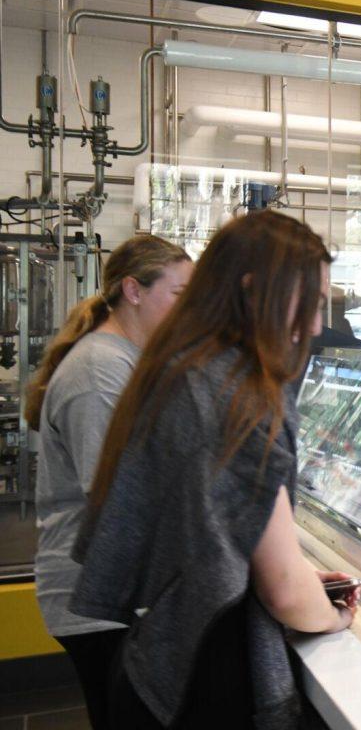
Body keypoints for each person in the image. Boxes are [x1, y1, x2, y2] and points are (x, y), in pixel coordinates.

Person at [69, 211, 360, 728]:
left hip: (158, 664)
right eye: (311, 304)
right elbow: (286, 593)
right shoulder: (239, 391)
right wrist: (333, 616)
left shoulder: (186, 364)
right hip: (202, 683)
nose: (316, 326)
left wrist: (281, 568)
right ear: (252, 289)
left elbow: (204, 531)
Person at [28, 235, 192, 730]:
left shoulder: (123, 359)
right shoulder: (100, 368)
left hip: (115, 590)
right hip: (96, 598)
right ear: (134, 291)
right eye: (179, 296)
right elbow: (116, 491)